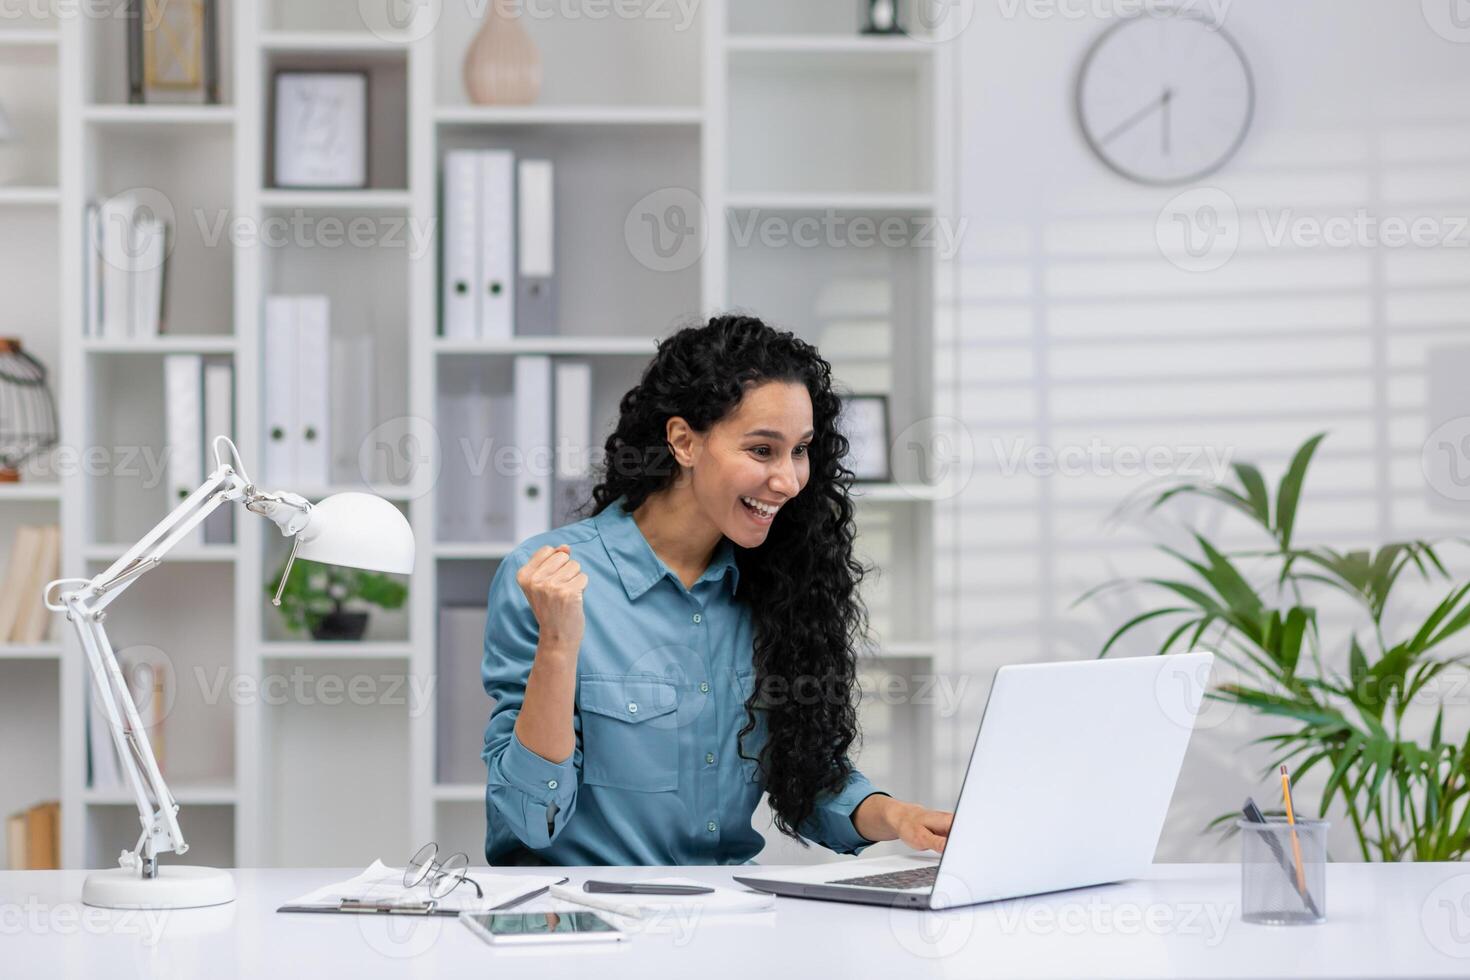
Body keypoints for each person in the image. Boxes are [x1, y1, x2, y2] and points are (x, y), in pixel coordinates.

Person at [481, 314, 954, 865]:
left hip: (728, 915)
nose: (789, 480)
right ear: (684, 441)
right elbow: (529, 818)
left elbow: (806, 776)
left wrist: (897, 817)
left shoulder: (777, 582)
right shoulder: (549, 580)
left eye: (800, 450)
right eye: (761, 450)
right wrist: (558, 646)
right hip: (587, 921)